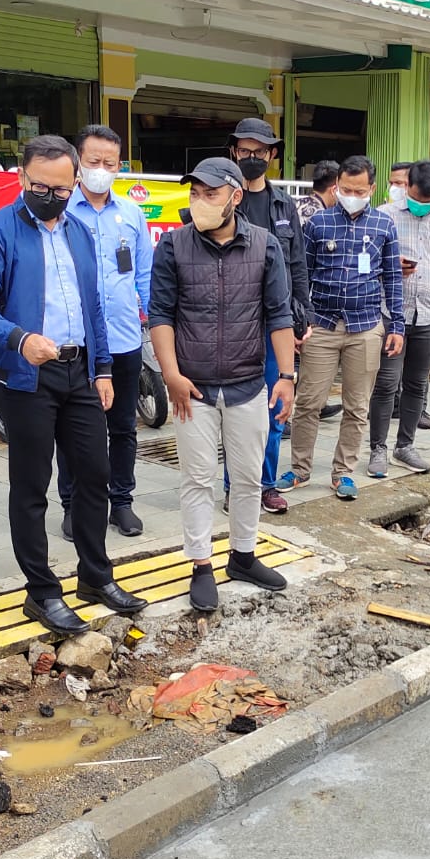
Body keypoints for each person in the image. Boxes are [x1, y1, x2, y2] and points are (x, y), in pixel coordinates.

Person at [0, 135, 146, 634]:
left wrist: (103, 369)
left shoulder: (80, 232)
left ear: (75, 184)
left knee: (93, 474)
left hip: (80, 371)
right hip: (26, 376)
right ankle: (41, 592)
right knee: (31, 486)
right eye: (42, 186)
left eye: (63, 189)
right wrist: (19, 339)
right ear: (23, 179)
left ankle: (95, 575)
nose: (52, 196)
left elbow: (95, 309)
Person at [149, 158, 297, 612]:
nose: (199, 202)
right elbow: (160, 315)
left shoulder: (265, 247)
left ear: (235, 197)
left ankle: (243, 556)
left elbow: (278, 314)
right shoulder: (173, 246)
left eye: (209, 194)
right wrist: (171, 375)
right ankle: (200, 565)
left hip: (248, 383)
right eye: (194, 193)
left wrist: (287, 377)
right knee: (197, 480)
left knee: (250, 478)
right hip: (192, 389)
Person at [282, 155, 404, 501]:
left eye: (359, 190)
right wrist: (298, 320)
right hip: (321, 325)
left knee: (357, 406)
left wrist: (397, 325)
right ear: (336, 186)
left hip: (365, 327)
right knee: (308, 402)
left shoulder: (384, 226)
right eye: (345, 189)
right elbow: (300, 274)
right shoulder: (318, 224)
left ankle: (343, 473)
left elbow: (393, 279)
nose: (351, 194)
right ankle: (300, 469)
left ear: (372, 189)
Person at [51, 125, 152, 538]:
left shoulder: (131, 214)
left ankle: (121, 501)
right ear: (77, 163)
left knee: (124, 426)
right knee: (72, 430)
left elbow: (143, 276)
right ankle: (73, 505)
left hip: (125, 337)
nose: (101, 170)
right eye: (93, 162)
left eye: (110, 163)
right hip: (78, 344)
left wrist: (153, 325)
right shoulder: (60, 211)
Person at [228, 117, 309, 514]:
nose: (252, 158)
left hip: (275, 322)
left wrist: (303, 313)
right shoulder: (223, 199)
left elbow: (298, 263)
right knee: (237, 408)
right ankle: (235, 487)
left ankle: (265, 484)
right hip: (234, 322)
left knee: (276, 405)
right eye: (245, 151)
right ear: (233, 152)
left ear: (271, 155)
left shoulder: (284, 205)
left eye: (259, 152)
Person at [368, 159, 430, 477]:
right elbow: (363, 263)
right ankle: (378, 448)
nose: (421, 205)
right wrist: (390, 264)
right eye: (415, 196)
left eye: (429, 200)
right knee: (386, 384)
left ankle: (405, 446)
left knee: (417, 384)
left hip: (429, 316)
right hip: (389, 314)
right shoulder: (383, 217)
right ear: (405, 185)